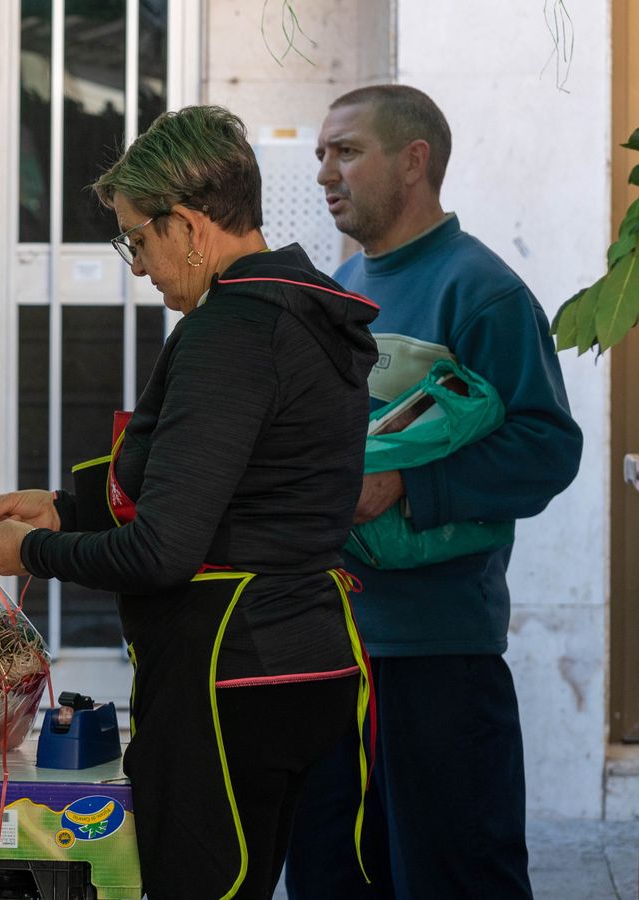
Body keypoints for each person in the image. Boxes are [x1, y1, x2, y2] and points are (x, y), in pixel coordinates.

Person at [0, 105, 379, 899]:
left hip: (230, 674)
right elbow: (238, 486)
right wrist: (61, 508)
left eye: (138, 239)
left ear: (187, 226)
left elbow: (163, 551)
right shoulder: (308, 307)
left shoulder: (236, 327)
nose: (140, 265)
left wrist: (30, 554)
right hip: (314, 658)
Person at [284, 85, 582, 900]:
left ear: (415, 161)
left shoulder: (480, 289)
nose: (324, 173)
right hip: (333, 647)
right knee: (335, 877)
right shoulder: (342, 283)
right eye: (319, 154)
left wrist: (406, 484)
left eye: (346, 150)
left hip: (436, 660)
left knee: (453, 879)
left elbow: (548, 448)